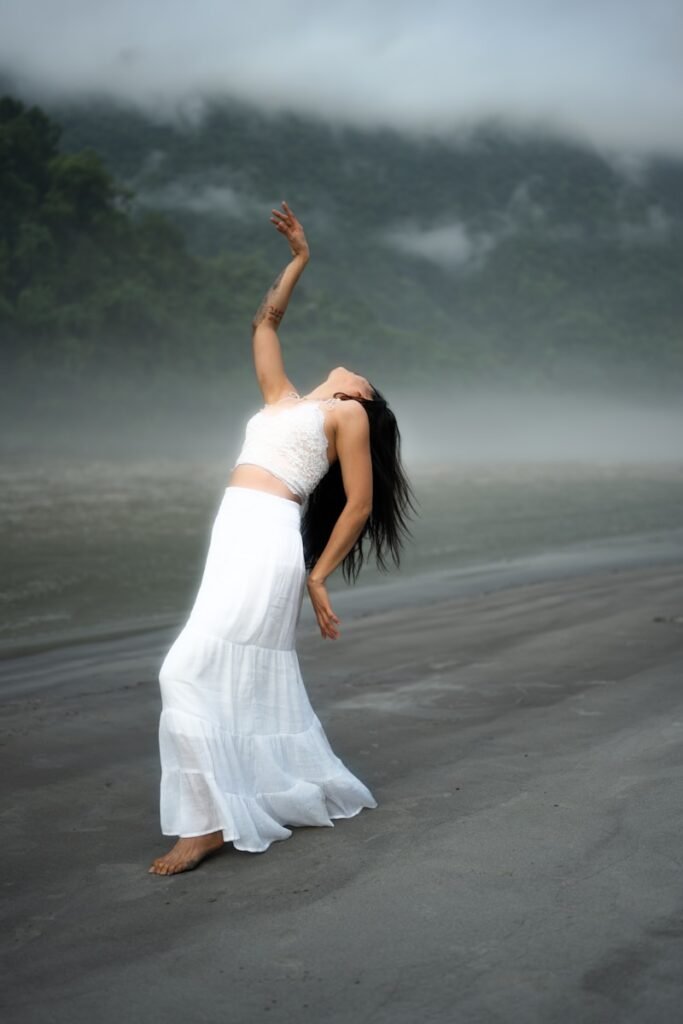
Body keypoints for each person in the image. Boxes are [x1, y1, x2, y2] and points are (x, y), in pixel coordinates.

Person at [148, 201, 416, 875]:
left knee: (182, 668)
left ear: (360, 397)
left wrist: (318, 575)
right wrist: (298, 258)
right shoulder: (282, 402)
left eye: (364, 379)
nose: (355, 370)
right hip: (233, 529)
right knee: (216, 671)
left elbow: (357, 504)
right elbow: (264, 321)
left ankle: (205, 824)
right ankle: (226, 803)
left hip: (268, 537)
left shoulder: (345, 418)